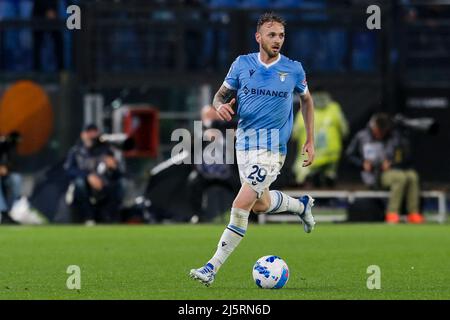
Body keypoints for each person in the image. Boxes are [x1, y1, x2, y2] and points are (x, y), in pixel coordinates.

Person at [189, 12, 316, 286]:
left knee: (240, 204)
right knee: (261, 204)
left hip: (272, 151)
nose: (278, 40)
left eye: (281, 35)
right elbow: (220, 95)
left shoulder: (293, 69)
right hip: (244, 146)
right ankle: (301, 205)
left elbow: (307, 101)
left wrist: (310, 139)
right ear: (258, 37)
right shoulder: (242, 64)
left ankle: (211, 267)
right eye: (272, 34)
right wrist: (219, 106)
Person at [346, 113, 424, 224]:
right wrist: (362, 163)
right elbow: (349, 156)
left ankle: (413, 213)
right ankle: (392, 213)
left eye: (383, 132)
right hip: (373, 175)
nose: (380, 134)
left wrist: (391, 163)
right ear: (373, 127)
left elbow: (403, 157)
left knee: (412, 176)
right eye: (379, 131)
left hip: (390, 170)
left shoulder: (393, 137)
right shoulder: (361, 136)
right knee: (400, 178)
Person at [187, 105, 240, 222]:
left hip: (226, 172)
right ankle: (197, 215)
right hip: (205, 173)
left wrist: (235, 137)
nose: (211, 119)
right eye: (208, 116)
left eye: (213, 116)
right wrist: (203, 137)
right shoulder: (197, 132)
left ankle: (244, 216)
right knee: (193, 181)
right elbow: (188, 151)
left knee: (242, 184)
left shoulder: (227, 129)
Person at [64, 124, 124, 225]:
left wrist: (113, 168)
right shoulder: (76, 151)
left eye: (94, 131)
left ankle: (112, 218)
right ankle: (89, 217)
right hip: (84, 186)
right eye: (89, 132)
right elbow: (69, 170)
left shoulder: (105, 150)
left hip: (103, 184)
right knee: (79, 184)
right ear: (83, 134)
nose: (92, 135)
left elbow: (117, 174)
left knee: (120, 185)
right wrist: (88, 176)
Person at [292, 89, 349, 187]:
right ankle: (329, 175)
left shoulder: (304, 109)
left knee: (303, 173)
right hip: (331, 153)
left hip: (310, 154)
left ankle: (309, 179)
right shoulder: (334, 108)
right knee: (330, 171)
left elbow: (294, 133)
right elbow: (344, 130)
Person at [32, 0, 63, 71]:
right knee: (37, 43)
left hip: (54, 10)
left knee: (59, 41)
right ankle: (37, 72)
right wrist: (48, 9)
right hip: (39, 10)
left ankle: (61, 72)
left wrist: (51, 9)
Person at [0, 132, 23, 224]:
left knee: (16, 179)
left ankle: (9, 211)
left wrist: (5, 167)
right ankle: (3, 212)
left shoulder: (6, 145)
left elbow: (13, 161)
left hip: (5, 175)